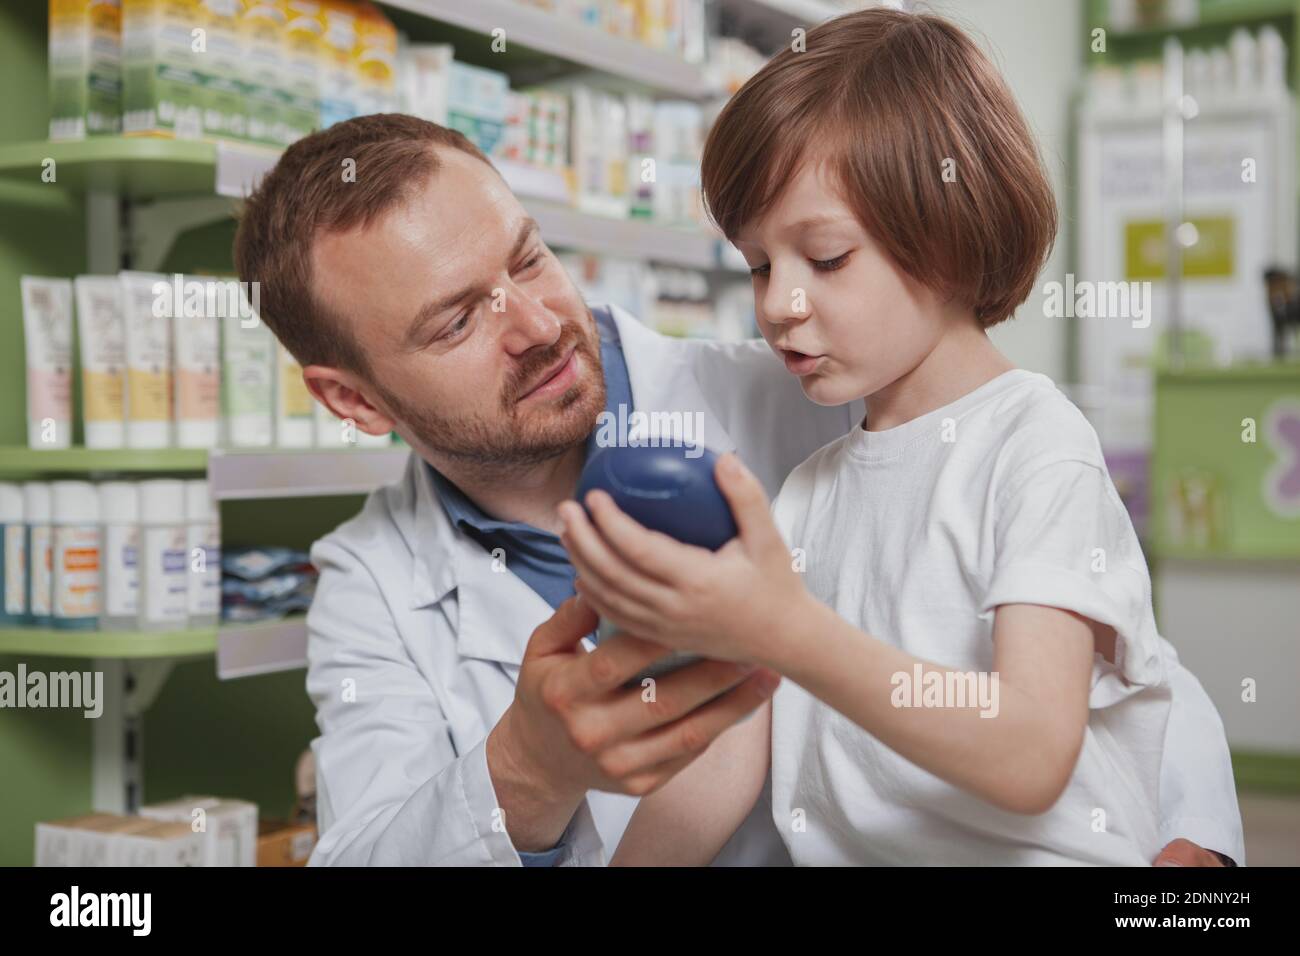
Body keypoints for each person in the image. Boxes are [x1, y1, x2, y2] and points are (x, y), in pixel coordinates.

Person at [233, 111, 1242, 866]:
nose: (536, 323)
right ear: (353, 398)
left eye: (528, 258)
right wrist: (524, 771)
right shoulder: (369, 583)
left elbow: (1107, 645)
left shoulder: (823, 394)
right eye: (456, 322)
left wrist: (1193, 840)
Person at [561, 8, 1245, 866]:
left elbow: (1032, 753)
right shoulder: (810, 490)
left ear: (950, 236)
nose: (779, 304)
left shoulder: (1035, 447)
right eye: (761, 265)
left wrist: (789, 635)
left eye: (827, 257)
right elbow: (730, 756)